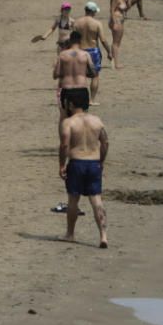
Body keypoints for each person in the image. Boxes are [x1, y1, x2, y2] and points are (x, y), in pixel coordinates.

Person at [59, 87, 109, 248]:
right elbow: (105, 142)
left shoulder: (69, 122)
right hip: (93, 163)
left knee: (73, 199)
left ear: (71, 104)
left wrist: (61, 164)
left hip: (77, 163)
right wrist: (101, 161)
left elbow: (65, 144)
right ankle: (103, 236)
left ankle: (70, 233)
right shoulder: (97, 120)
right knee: (96, 200)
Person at [74, 2, 111, 104]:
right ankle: (91, 100)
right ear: (93, 11)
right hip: (93, 51)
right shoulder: (97, 23)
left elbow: (72, 39)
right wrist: (109, 52)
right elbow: (103, 40)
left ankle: (81, 99)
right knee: (95, 76)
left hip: (80, 50)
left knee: (81, 75)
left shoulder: (77, 23)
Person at [108, 0, 129, 69]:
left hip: (120, 20)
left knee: (117, 42)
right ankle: (116, 64)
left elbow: (126, 8)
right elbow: (111, 10)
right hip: (116, 20)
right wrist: (114, 22)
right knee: (116, 43)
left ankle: (114, 62)